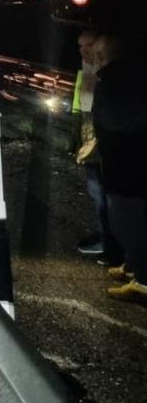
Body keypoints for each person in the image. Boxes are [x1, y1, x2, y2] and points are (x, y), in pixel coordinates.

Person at [90, 33, 147, 305]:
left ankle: (143, 281)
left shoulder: (111, 83)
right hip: (133, 163)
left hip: (124, 166)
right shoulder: (135, 76)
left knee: (128, 224)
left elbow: (114, 125)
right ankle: (133, 266)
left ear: (102, 56)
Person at [73, 30, 121, 265]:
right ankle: (107, 236)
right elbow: (83, 105)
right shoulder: (88, 69)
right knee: (97, 193)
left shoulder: (108, 74)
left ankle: (113, 244)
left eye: (89, 46)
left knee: (106, 195)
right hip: (89, 138)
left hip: (102, 143)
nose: (85, 51)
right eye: (80, 47)